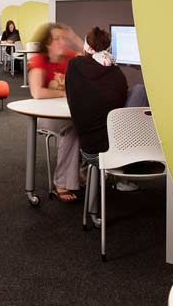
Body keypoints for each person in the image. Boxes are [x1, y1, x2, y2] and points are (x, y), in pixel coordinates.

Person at [66, 27, 150, 213]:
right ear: (109, 48)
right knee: (140, 91)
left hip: (89, 150)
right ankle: (125, 172)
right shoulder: (117, 75)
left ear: (86, 47)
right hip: (116, 152)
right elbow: (117, 107)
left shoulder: (73, 66)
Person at [28, 22, 81, 202]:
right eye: (56, 39)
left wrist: (74, 38)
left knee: (87, 124)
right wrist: (64, 92)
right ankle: (61, 183)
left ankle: (83, 173)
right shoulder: (40, 60)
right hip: (47, 116)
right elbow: (37, 92)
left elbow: (90, 55)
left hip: (69, 112)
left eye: (63, 38)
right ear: (48, 43)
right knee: (73, 130)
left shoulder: (69, 57)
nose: (62, 42)